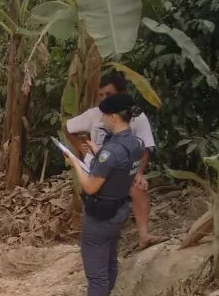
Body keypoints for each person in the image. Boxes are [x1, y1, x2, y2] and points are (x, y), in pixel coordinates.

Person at [58, 92, 142, 296]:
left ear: (114, 117)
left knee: (96, 270)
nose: (102, 119)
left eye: (104, 115)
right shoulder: (134, 144)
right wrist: (97, 152)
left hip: (101, 213)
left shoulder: (112, 151)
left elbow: (91, 186)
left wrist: (75, 161)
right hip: (119, 208)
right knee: (109, 260)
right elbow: (117, 170)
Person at [64, 71, 165, 250]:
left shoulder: (137, 118)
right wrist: (80, 147)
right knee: (96, 192)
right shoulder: (95, 114)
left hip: (122, 169)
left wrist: (139, 173)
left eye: (108, 95)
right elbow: (68, 127)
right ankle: (97, 239)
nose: (103, 99)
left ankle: (143, 235)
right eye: (101, 95)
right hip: (96, 167)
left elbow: (144, 148)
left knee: (137, 187)